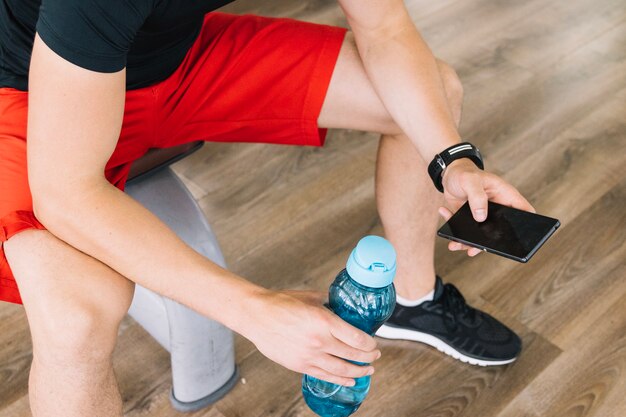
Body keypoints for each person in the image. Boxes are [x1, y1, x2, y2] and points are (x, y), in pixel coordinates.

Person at [0, 0, 535, 415]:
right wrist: (254, 310)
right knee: (78, 315)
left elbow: (386, 31)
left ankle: (410, 299)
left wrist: (453, 161)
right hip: (32, 91)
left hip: (172, 64)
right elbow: (67, 192)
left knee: (434, 90)